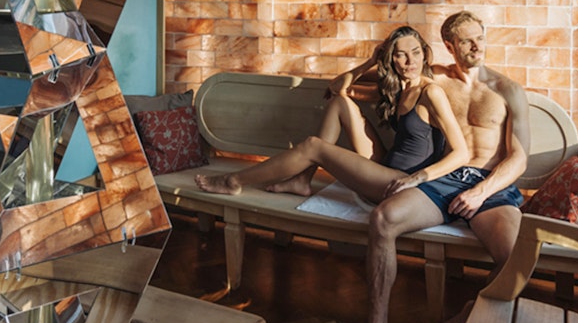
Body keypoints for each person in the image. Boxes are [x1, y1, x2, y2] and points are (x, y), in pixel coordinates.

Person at [332, 10, 531, 323]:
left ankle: (473, 311)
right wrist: (377, 56)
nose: (476, 46)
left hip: (490, 186)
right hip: (442, 179)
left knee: (516, 257)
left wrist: (481, 191)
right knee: (383, 218)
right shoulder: (428, 77)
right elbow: (349, 85)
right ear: (449, 46)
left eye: (481, 37)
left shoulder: (508, 91)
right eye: (467, 40)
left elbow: (519, 158)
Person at [194, 26, 474, 219]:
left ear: (425, 53)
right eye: (400, 54)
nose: (409, 60)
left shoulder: (431, 92)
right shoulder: (398, 88)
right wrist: (371, 61)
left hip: (399, 183)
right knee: (339, 103)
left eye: (415, 52)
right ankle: (302, 179)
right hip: (386, 166)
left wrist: (418, 178)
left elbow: (462, 152)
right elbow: (337, 88)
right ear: (392, 58)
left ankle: (232, 180)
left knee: (314, 146)